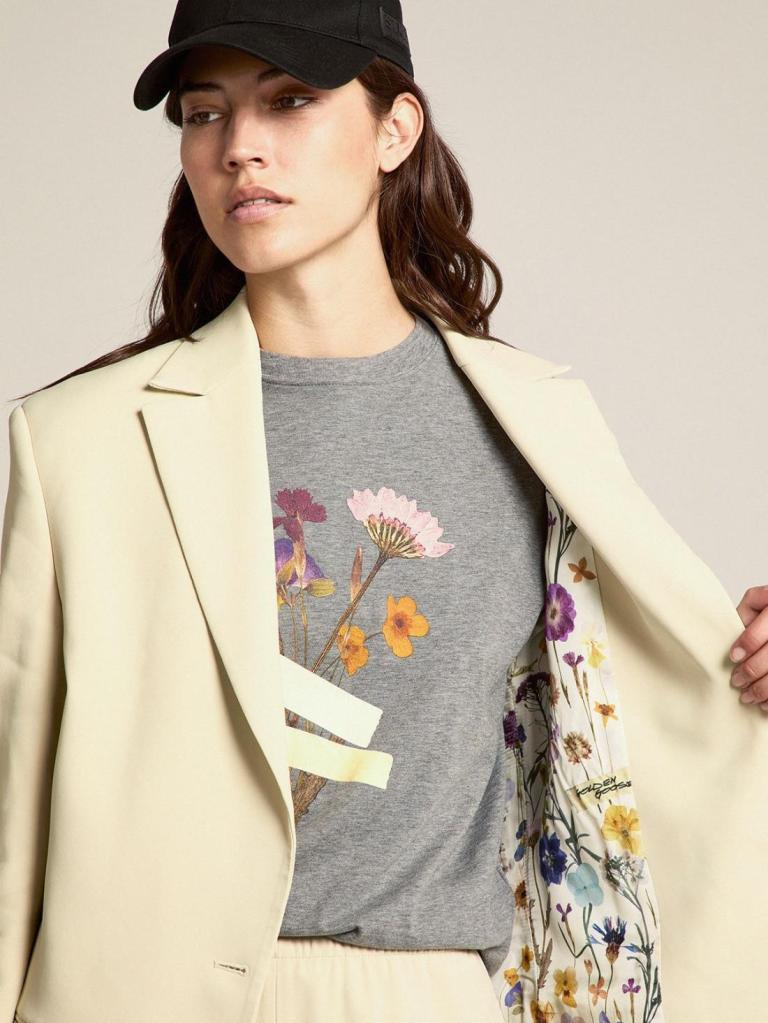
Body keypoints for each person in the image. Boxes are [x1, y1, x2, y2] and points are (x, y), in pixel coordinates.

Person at [2, 2, 766, 1022]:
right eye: (204, 112)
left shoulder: (535, 421)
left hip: (424, 991)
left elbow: (635, 728)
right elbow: (12, 809)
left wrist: (750, 668)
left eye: (290, 101)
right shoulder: (78, 441)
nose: (239, 148)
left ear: (396, 130)